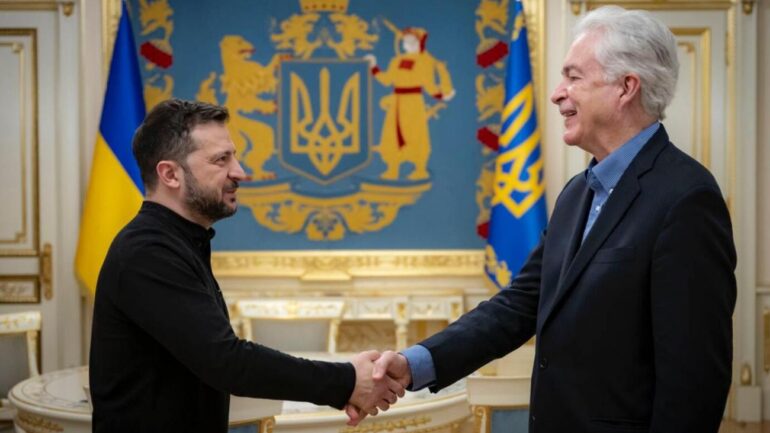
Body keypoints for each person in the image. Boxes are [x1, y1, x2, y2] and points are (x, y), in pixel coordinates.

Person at [363, 6, 736, 433]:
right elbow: (519, 304)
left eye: (573, 77)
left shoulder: (686, 198)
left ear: (626, 87)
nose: (558, 94)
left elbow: (693, 385)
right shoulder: (578, 192)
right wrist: (413, 364)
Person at [89, 99, 402, 433]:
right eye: (221, 159)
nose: (239, 172)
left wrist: (346, 381)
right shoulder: (147, 252)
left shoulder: (177, 242)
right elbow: (226, 361)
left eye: (234, 157)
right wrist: (347, 381)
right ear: (170, 174)